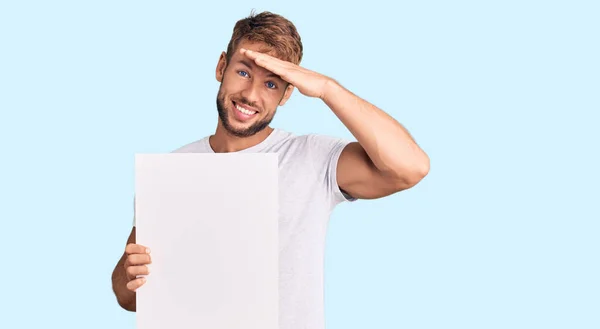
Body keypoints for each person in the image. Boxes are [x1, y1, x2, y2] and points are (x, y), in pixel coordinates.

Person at [111, 10, 430, 329]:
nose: (251, 95)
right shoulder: (172, 170)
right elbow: (128, 296)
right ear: (222, 66)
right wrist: (129, 275)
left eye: (272, 83)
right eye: (244, 72)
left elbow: (410, 168)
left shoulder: (312, 158)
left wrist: (327, 89)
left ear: (288, 92)